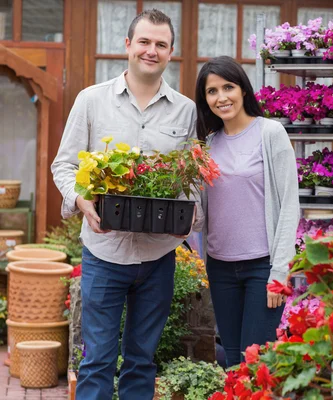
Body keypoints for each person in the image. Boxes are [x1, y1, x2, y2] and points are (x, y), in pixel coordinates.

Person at [51, 9, 199, 400]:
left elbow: (191, 180)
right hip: (103, 253)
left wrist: (189, 219)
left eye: (161, 45)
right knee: (97, 360)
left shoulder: (185, 110)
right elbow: (64, 165)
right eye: (145, 42)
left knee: (141, 361)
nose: (152, 51)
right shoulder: (91, 101)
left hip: (159, 256)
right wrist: (82, 200)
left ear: (171, 52)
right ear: (128, 45)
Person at [195, 56, 300, 367]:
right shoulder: (208, 144)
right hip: (220, 267)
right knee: (231, 363)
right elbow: (201, 214)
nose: (221, 97)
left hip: (261, 269)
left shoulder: (270, 133)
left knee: (254, 365)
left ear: (243, 90)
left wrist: (279, 273)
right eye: (212, 91)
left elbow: (289, 206)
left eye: (228, 87)